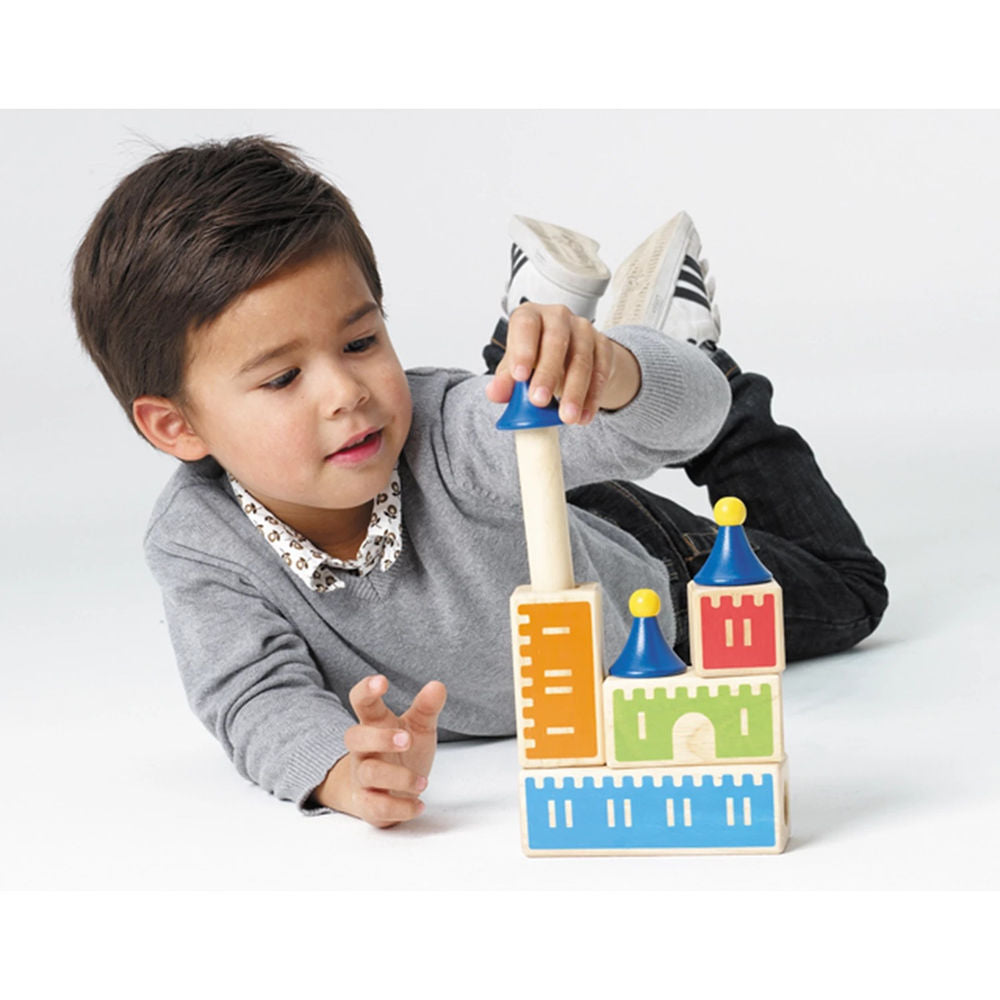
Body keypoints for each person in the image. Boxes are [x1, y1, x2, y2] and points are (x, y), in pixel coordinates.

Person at [71, 137, 887, 828]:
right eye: (283, 378)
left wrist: (624, 376)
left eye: (360, 343)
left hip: (643, 580)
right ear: (175, 426)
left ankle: (679, 356)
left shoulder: (440, 434)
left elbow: (673, 424)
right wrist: (339, 770)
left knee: (850, 592)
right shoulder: (198, 544)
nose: (345, 393)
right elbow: (252, 694)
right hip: (517, 503)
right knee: (525, 425)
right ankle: (537, 332)